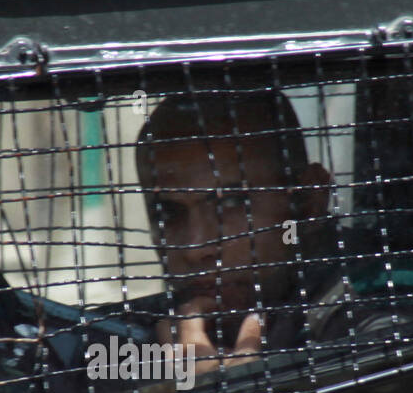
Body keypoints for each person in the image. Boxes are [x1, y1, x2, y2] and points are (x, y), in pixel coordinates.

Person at [134, 88, 335, 376]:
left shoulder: (372, 318)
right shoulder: (123, 344)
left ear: (307, 202)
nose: (195, 248)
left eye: (230, 203)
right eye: (168, 213)